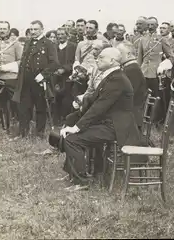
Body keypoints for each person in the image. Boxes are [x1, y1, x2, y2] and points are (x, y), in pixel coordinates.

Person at [60, 47, 149, 191]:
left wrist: (77, 127)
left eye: (101, 57)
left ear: (112, 61)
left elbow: (99, 107)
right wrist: (75, 119)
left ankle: (81, 182)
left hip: (117, 127)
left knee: (72, 139)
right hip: (110, 123)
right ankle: (73, 173)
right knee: (71, 131)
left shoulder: (117, 79)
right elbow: (95, 99)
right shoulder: (111, 76)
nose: (97, 59)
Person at [12, 20, 59, 138]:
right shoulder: (28, 42)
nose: (33, 32)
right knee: (24, 107)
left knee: (40, 108)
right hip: (26, 80)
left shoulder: (48, 44)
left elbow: (55, 64)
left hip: (40, 81)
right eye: (31, 29)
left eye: (35, 29)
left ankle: (39, 134)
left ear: (42, 29)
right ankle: (23, 133)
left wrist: (43, 75)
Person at [117, 41, 147, 132]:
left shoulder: (132, 70)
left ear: (129, 54)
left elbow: (127, 95)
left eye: (119, 53)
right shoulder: (131, 68)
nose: (116, 57)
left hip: (130, 115)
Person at [52, 27, 77, 126]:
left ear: (67, 35)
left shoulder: (73, 46)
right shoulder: (54, 46)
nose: (60, 36)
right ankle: (55, 121)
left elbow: (75, 61)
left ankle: (65, 120)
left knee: (67, 100)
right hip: (55, 76)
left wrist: (65, 69)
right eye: (58, 34)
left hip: (67, 77)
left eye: (62, 34)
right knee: (55, 99)